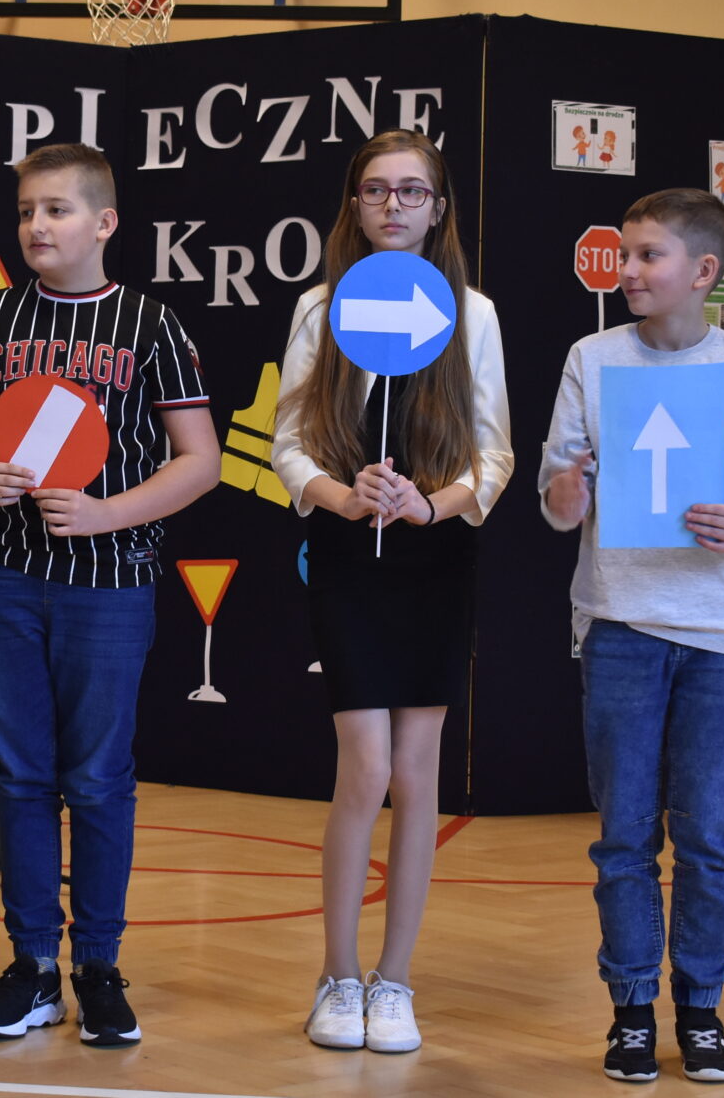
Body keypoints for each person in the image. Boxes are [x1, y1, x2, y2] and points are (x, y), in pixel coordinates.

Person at [0, 142, 218, 1049]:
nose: (36, 226)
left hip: (111, 584)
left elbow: (201, 460)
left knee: (97, 778)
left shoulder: (151, 325)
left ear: (105, 222)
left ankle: (98, 965)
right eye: (26, 211)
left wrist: (106, 515)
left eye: (56, 209)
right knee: (20, 775)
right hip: (3, 579)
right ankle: (31, 967)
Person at [539, 187, 724, 1084]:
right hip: (621, 627)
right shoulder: (591, 357)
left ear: (703, 272)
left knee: (710, 838)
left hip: (721, 637)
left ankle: (702, 1009)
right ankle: (630, 1009)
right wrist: (567, 489)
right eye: (624, 254)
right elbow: (556, 499)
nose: (628, 271)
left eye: (648, 255)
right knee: (623, 837)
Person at [270, 129, 513, 1054]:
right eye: (376, 190)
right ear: (355, 205)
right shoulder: (320, 306)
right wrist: (343, 494)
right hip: (347, 557)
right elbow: (289, 443)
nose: (394, 205)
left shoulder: (473, 313)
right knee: (365, 769)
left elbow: (494, 453)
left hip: (434, 558)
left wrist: (430, 503)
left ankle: (394, 979)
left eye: (413, 191)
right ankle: (337, 974)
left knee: (417, 776)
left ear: (439, 207)